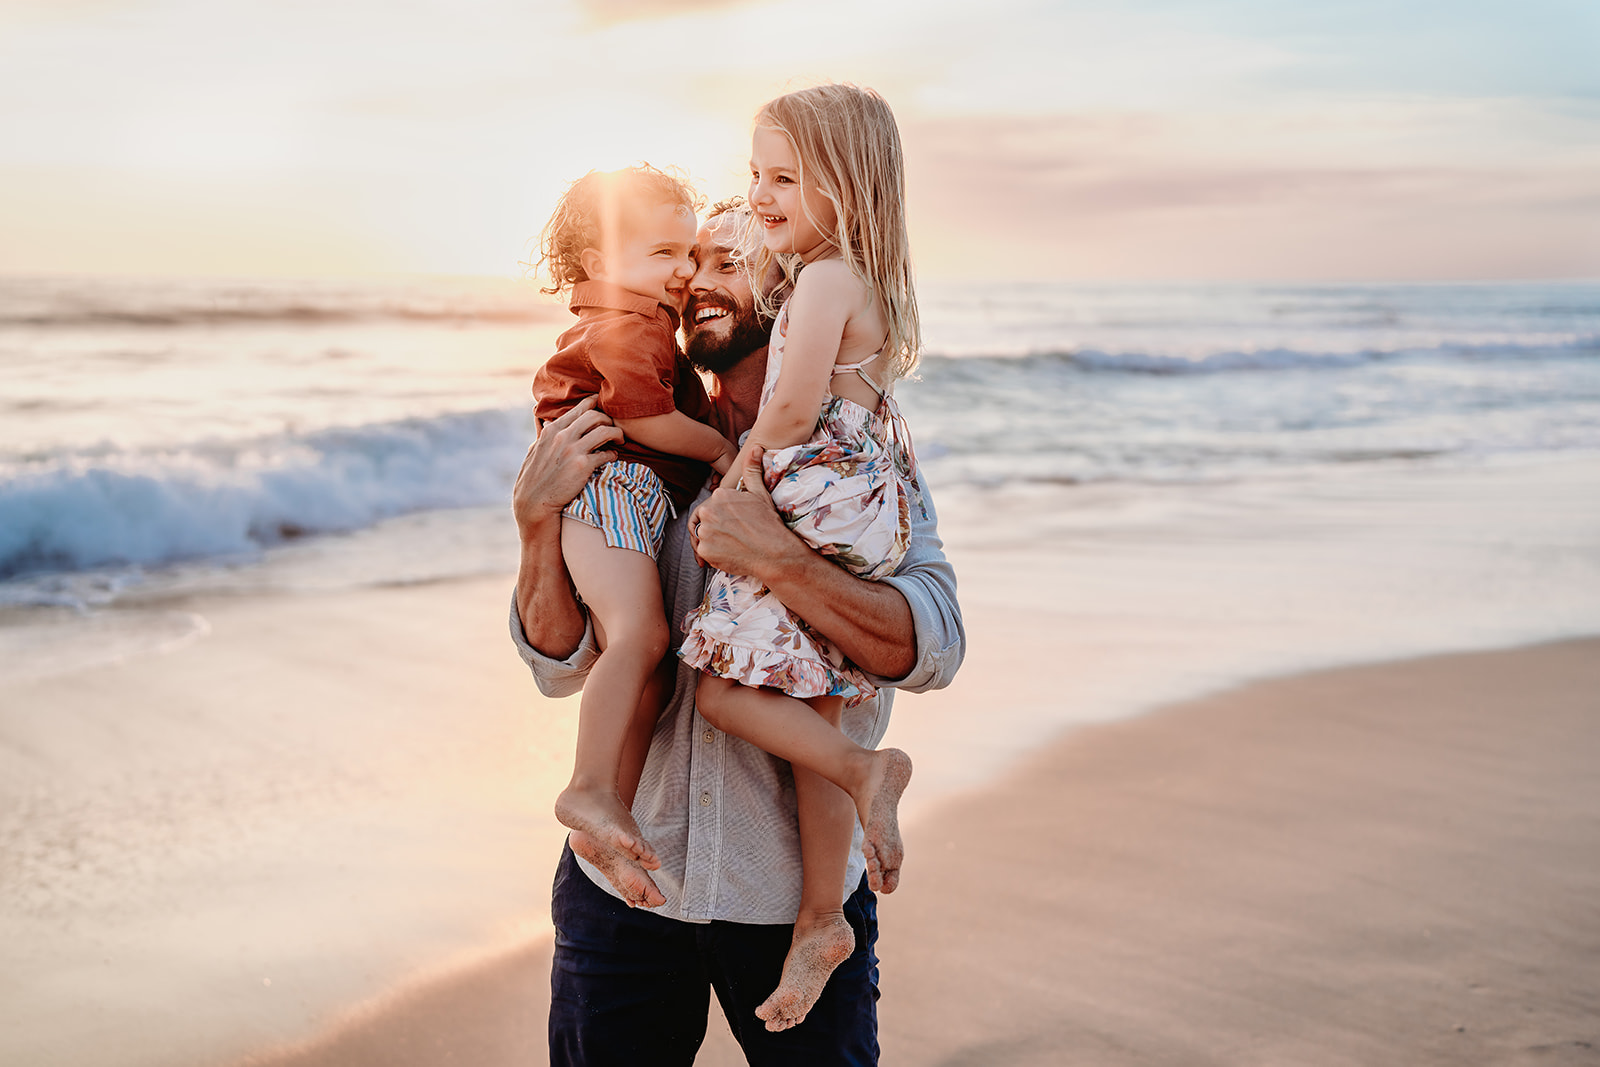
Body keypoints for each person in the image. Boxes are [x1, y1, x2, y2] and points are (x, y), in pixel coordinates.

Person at [511, 198, 964, 1065]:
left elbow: (934, 642)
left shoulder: (851, 459)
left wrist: (788, 563)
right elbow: (557, 660)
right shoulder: (632, 446)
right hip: (626, 894)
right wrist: (534, 525)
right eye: (690, 261)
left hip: (788, 898)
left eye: (729, 263)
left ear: (792, 296)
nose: (693, 283)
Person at [677, 83, 925, 1033]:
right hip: (854, 505)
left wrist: (741, 473)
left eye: (785, 178)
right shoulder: (860, 280)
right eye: (757, 174)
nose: (765, 194)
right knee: (818, 712)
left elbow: (789, 408)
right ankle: (823, 915)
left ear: (848, 189)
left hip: (809, 499)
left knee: (723, 691)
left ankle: (868, 778)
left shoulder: (825, 280)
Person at [529, 164, 737, 905]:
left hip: (634, 494)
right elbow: (646, 422)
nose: (683, 272)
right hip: (613, 488)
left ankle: (603, 816)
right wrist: (720, 449)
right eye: (662, 255)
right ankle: (587, 784)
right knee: (639, 637)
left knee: (649, 664)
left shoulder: (644, 321)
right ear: (597, 264)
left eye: (688, 254)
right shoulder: (626, 325)